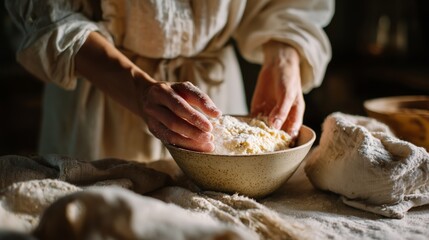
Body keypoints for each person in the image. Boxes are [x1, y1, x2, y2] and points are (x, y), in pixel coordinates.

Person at [6, 0, 333, 162]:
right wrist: (138, 89)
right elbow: (47, 13)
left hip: (216, 96)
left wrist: (283, 57)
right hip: (99, 101)